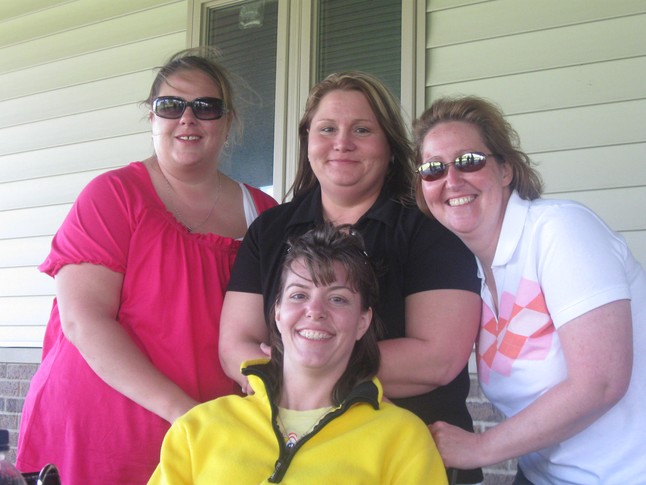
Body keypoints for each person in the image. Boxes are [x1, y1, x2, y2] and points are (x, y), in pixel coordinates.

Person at [16, 47, 277, 484]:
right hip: (102, 434)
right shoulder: (113, 195)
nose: (188, 119)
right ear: (152, 117)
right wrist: (186, 414)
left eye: (206, 107)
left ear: (228, 122)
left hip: (210, 440)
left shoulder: (263, 215)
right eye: (171, 105)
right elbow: (84, 321)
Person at [219, 71, 483, 483]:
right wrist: (308, 372)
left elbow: (438, 359)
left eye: (362, 129)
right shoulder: (268, 231)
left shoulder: (430, 228)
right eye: (327, 129)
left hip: (411, 459)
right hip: (289, 459)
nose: (342, 143)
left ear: (390, 146)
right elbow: (234, 345)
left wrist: (302, 371)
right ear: (308, 141)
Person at [414, 95, 646, 484]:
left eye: (469, 161)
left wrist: (481, 447)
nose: (451, 180)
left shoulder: (559, 231)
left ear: (506, 170)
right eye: (433, 169)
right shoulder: (472, 272)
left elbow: (601, 381)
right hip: (542, 476)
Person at [148, 224, 448, 484]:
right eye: (299, 295)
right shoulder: (198, 427)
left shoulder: (403, 439)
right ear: (277, 312)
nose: (315, 311)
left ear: (362, 322)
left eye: (338, 299)